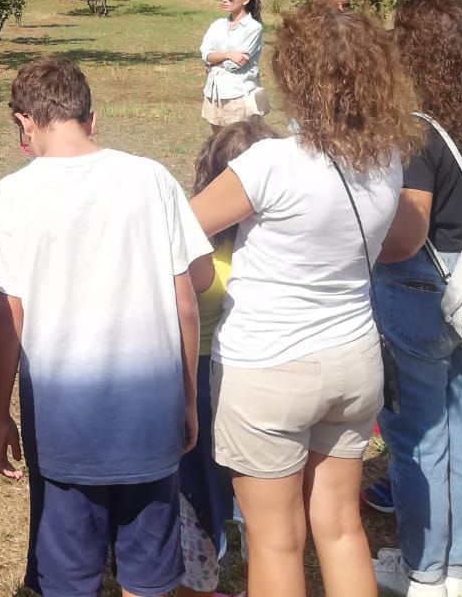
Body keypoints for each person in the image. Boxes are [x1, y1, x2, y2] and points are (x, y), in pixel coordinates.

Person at [191, 3, 418, 597]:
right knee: (340, 528)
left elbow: (181, 231)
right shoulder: (387, 161)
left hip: (269, 367)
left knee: (275, 541)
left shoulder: (270, 163)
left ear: (296, 77)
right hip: (353, 359)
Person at [0, 56, 211, 597]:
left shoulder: (12, 195)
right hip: (151, 417)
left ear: (24, 123)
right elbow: (186, 303)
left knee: (69, 578)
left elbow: (8, 319)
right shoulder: (151, 178)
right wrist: (189, 398)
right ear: (91, 118)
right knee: (149, 576)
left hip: (63, 428)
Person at [369, 0, 462, 597]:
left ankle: (422, 571)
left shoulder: (418, 132)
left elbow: (407, 236)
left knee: (418, 437)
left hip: (422, 289)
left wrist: (365, 247)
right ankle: (454, 571)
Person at [179, 119, 280, 597]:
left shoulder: (194, 237)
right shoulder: (280, 243)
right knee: (244, 496)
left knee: (203, 495)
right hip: (242, 378)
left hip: (205, 379)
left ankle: (200, 583)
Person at [199, 0, 265, 126]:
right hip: (214, 92)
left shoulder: (253, 28)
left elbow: (234, 65)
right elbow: (205, 54)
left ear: (245, 0)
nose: (224, 0)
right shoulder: (217, 25)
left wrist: (213, 63)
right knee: (218, 138)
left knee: (239, 139)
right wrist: (228, 55)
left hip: (238, 94)